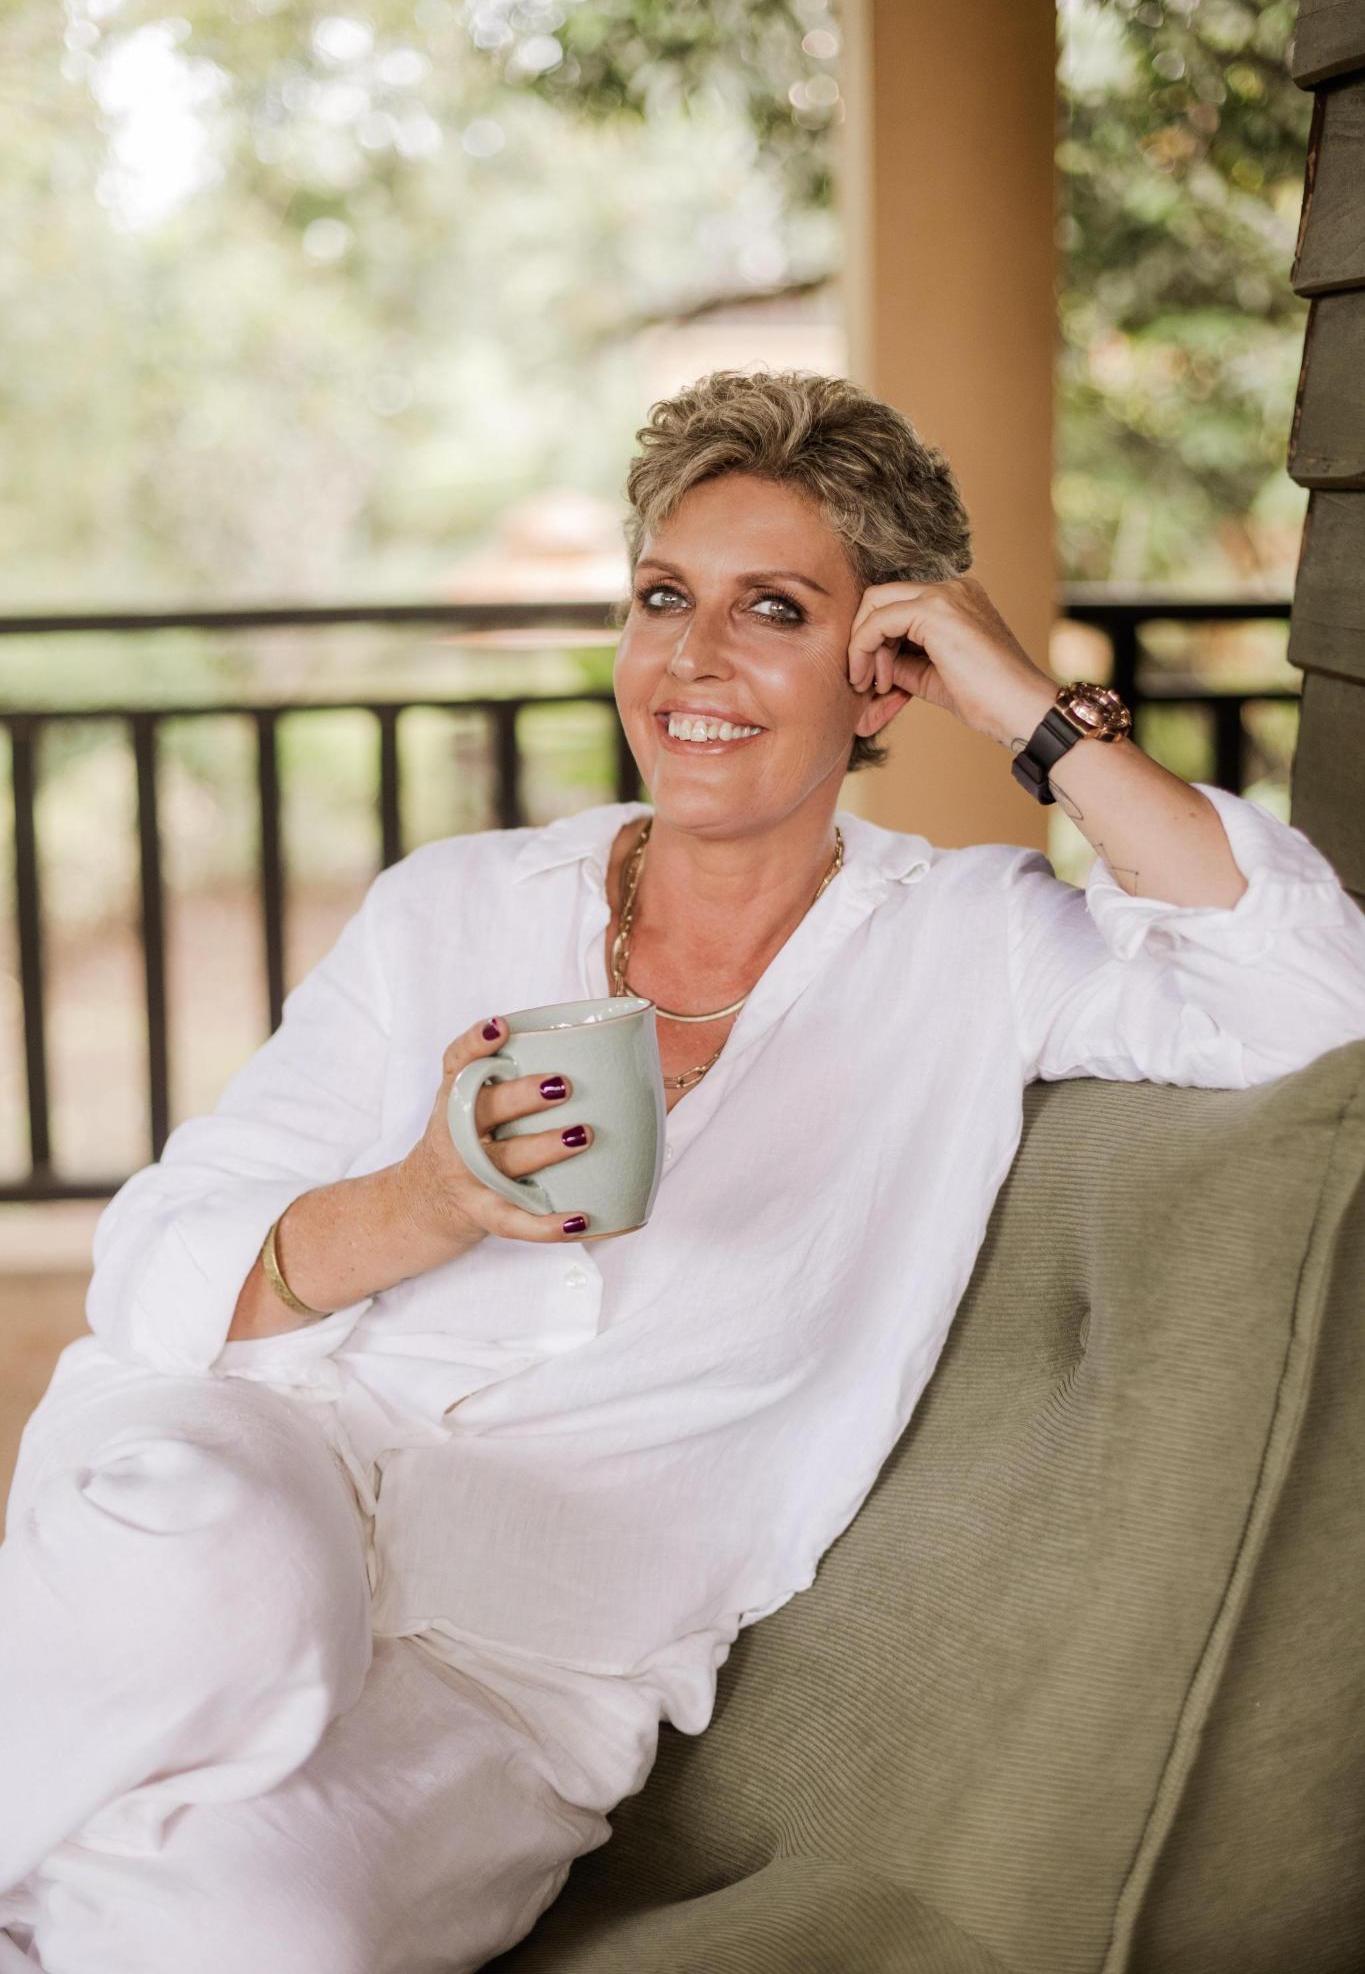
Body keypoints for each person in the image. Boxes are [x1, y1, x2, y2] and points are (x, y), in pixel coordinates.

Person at [3, 369, 1364, 1974]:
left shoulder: (976, 948)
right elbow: (155, 1269)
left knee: (247, 1935)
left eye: (772, 609)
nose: (693, 656)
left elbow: (1308, 994)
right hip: (268, 1469)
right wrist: (427, 1203)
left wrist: (1032, 710)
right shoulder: (453, 905)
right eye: (663, 597)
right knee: (207, 1576)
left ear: (883, 677)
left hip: (523, 1662)